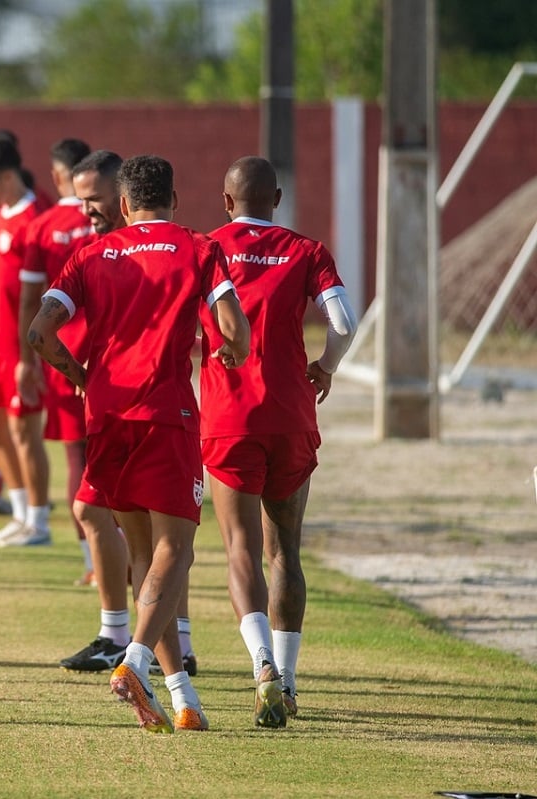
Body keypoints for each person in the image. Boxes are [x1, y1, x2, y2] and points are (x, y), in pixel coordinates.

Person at [28, 154, 250, 733]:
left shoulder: (89, 254)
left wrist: (78, 376)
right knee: (177, 552)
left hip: (105, 415)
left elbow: (39, 332)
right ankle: (134, 661)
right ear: (173, 199)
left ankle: (183, 698)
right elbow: (233, 327)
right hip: (165, 413)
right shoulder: (198, 247)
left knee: (148, 559)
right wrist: (235, 350)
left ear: (123, 205)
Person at [201, 155, 357, 727]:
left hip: (229, 415)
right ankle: (289, 682)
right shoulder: (307, 250)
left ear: (226, 201)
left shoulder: (207, 248)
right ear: (278, 198)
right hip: (292, 412)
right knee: (284, 550)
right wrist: (326, 367)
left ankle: (261, 665)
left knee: (240, 548)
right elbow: (343, 321)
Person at [0, 138, 53, 548]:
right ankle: (20, 515)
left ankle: (39, 520)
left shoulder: (36, 219)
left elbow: (38, 296)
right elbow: (0, 284)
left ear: (5, 177)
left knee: (24, 431)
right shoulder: (2, 216)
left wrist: (29, 357)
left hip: (22, 351)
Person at [16, 137, 93, 567]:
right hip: (111, 353)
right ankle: (123, 551)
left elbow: (31, 300)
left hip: (62, 355)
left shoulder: (41, 227)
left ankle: (91, 560)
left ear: (57, 175)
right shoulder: (112, 219)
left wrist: (27, 361)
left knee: (76, 457)